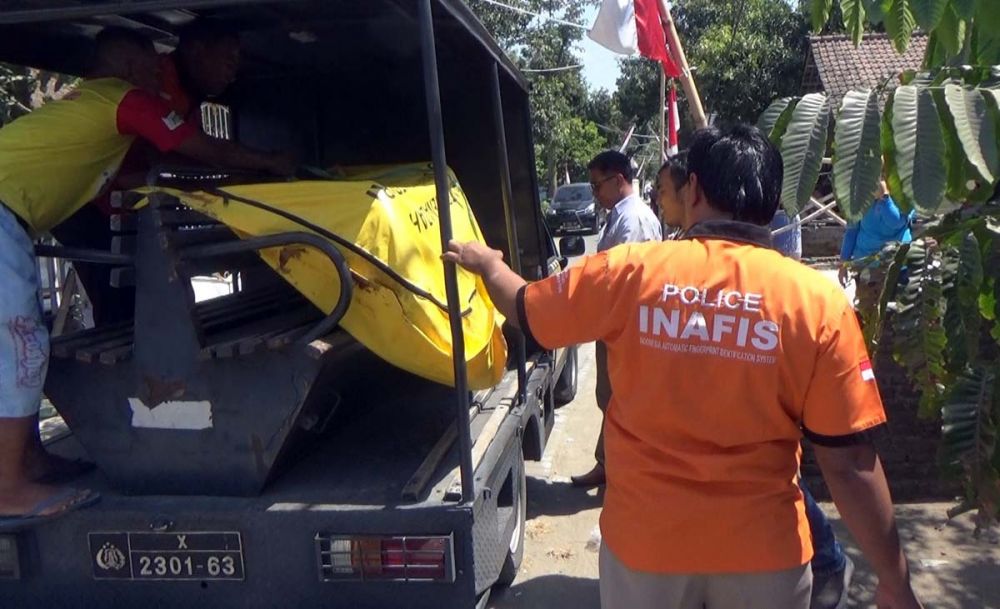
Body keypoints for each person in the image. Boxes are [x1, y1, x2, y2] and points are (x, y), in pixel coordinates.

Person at [443, 125, 922, 609]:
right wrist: (894, 580)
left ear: (694, 189)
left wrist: (487, 264)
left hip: (646, 553)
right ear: (771, 199)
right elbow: (850, 464)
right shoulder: (817, 303)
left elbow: (526, 308)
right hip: (765, 557)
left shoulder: (628, 272)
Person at [0, 27, 292, 528]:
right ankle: (7, 488)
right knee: (22, 347)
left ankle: (28, 460)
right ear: (132, 67)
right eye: (153, 66)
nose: (162, 74)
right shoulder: (128, 100)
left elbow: (148, 172)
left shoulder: (90, 107)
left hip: (12, 219)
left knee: (24, 344)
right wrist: (276, 164)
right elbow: (203, 149)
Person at [50, 22, 247, 325]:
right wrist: (255, 163)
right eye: (228, 61)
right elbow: (181, 154)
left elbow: (180, 157)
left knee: (153, 299)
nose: (233, 74)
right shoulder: (137, 98)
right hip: (86, 205)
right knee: (123, 305)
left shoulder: (179, 96)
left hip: (116, 204)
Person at [571, 150, 662, 488]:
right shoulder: (620, 216)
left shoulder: (633, 219)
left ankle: (622, 472)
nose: (594, 194)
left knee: (619, 402)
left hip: (626, 329)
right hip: (615, 327)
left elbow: (628, 281)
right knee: (610, 401)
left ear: (619, 180)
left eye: (597, 186)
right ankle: (607, 464)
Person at [838, 180, 915, 312]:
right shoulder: (859, 196)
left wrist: (884, 198)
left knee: (899, 312)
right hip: (867, 264)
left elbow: (896, 222)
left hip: (898, 264)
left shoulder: (905, 191)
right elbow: (852, 231)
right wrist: (843, 263)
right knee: (868, 312)